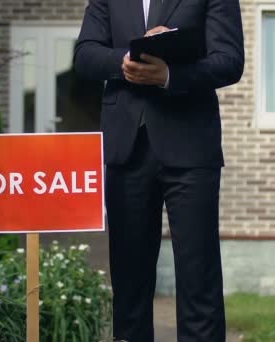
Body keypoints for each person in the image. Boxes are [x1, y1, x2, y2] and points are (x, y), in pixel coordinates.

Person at [74, 0, 244, 341]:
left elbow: (229, 61)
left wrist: (169, 75)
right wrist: (122, 61)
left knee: (199, 277)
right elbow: (85, 53)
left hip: (191, 145)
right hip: (127, 147)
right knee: (129, 280)